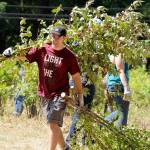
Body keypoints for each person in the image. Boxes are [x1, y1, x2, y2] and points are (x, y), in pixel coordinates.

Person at [25, 26, 84, 150]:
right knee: (54, 125)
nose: (54, 38)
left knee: (52, 124)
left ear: (64, 38)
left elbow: (76, 77)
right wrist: (10, 54)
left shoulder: (69, 56)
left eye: (57, 36)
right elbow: (26, 57)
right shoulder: (42, 48)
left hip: (60, 94)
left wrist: (80, 96)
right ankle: (65, 147)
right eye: (52, 35)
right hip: (44, 92)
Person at [65, 73, 95, 149]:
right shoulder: (79, 64)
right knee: (77, 115)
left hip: (87, 86)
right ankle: (70, 139)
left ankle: (85, 139)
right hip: (82, 86)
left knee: (86, 116)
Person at [104, 54, 131, 127]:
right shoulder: (118, 54)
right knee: (122, 111)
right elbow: (120, 71)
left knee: (122, 111)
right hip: (118, 85)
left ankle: (121, 132)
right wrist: (126, 87)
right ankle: (103, 122)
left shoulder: (110, 53)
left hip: (114, 85)